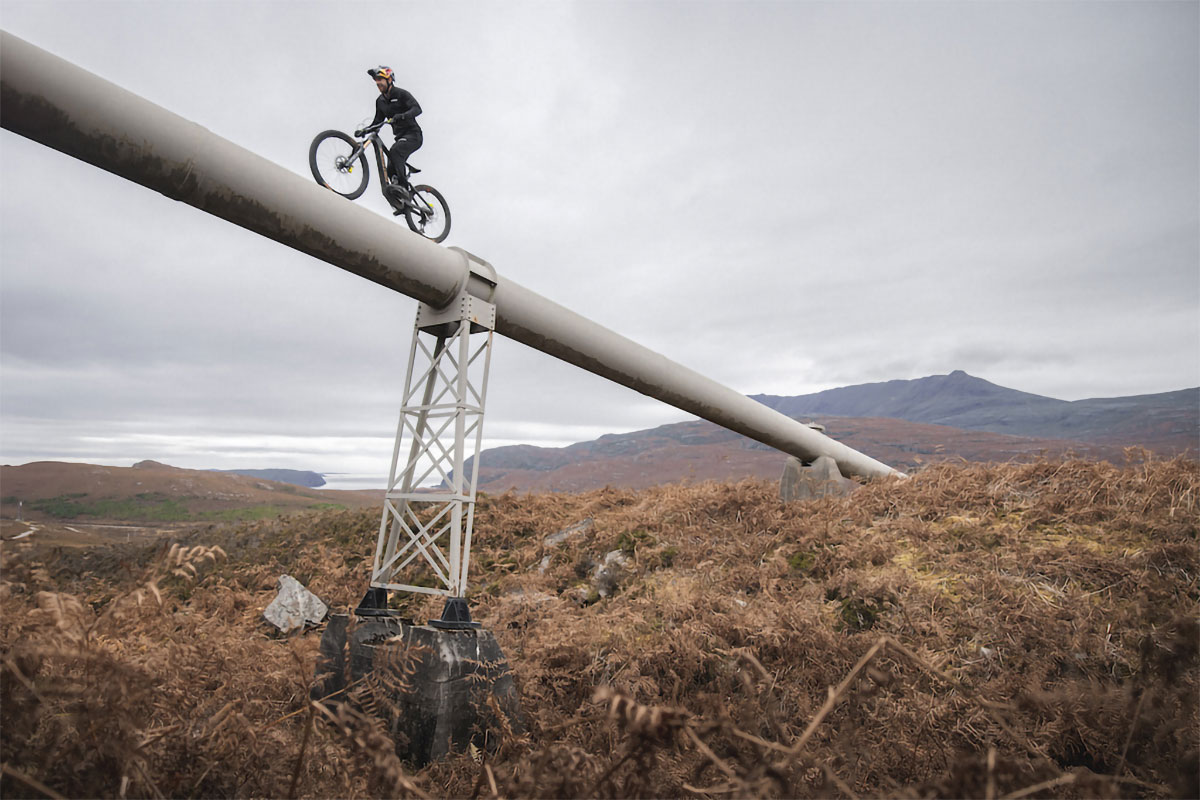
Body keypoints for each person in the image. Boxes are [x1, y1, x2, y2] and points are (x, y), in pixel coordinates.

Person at [356, 66, 422, 196]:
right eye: (376, 80)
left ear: (389, 79)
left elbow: (417, 109)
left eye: (380, 79)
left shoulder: (401, 94)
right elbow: (377, 122)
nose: (378, 83)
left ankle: (403, 189)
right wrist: (365, 130)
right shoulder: (380, 101)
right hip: (400, 137)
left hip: (413, 135)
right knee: (390, 164)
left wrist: (402, 116)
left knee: (395, 151)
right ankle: (398, 194)